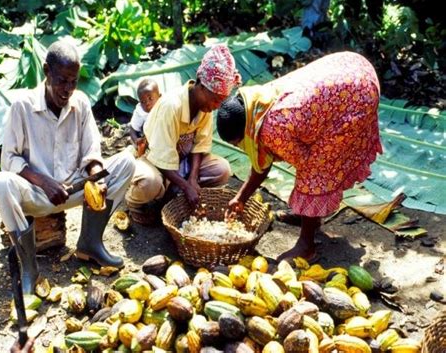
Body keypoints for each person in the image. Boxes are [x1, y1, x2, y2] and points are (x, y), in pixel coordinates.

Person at [0, 40, 136, 295]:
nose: (68, 89)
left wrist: (96, 178)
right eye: (61, 80)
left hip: (76, 187)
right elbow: (9, 159)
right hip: (38, 193)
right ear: (47, 71)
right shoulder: (22, 106)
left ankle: (90, 243)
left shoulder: (79, 104)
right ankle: (29, 269)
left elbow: (92, 152)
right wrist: (43, 181)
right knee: (2, 183)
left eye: (73, 81)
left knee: (126, 162)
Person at [217, 51, 382, 262]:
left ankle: (307, 244)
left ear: (244, 131)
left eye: (236, 143)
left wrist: (308, 198)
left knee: (314, 173)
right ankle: (308, 216)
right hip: (351, 68)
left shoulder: (272, 128)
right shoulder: (256, 104)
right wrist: (241, 198)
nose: (239, 147)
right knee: (312, 170)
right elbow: (263, 159)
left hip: (355, 96)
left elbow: (307, 168)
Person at [125, 45, 241, 215]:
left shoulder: (205, 107)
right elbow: (161, 157)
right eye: (215, 100)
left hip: (181, 161)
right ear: (201, 86)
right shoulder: (172, 106)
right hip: (154, 161)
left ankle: (173, 190)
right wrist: (186, 186)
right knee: (149, 183)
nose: (216, 107)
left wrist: (192, 180)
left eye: (220, 101)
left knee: (222, 170)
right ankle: (133, 201)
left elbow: (199, 146)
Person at [128, 79, 161, 156]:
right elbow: (132, 129)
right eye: (143, 101)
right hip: (147, 140)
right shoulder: (140, 112)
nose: (147, 103)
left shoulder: (164, 106)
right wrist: (136, 140)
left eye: (150, 99)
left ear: (159, 97)